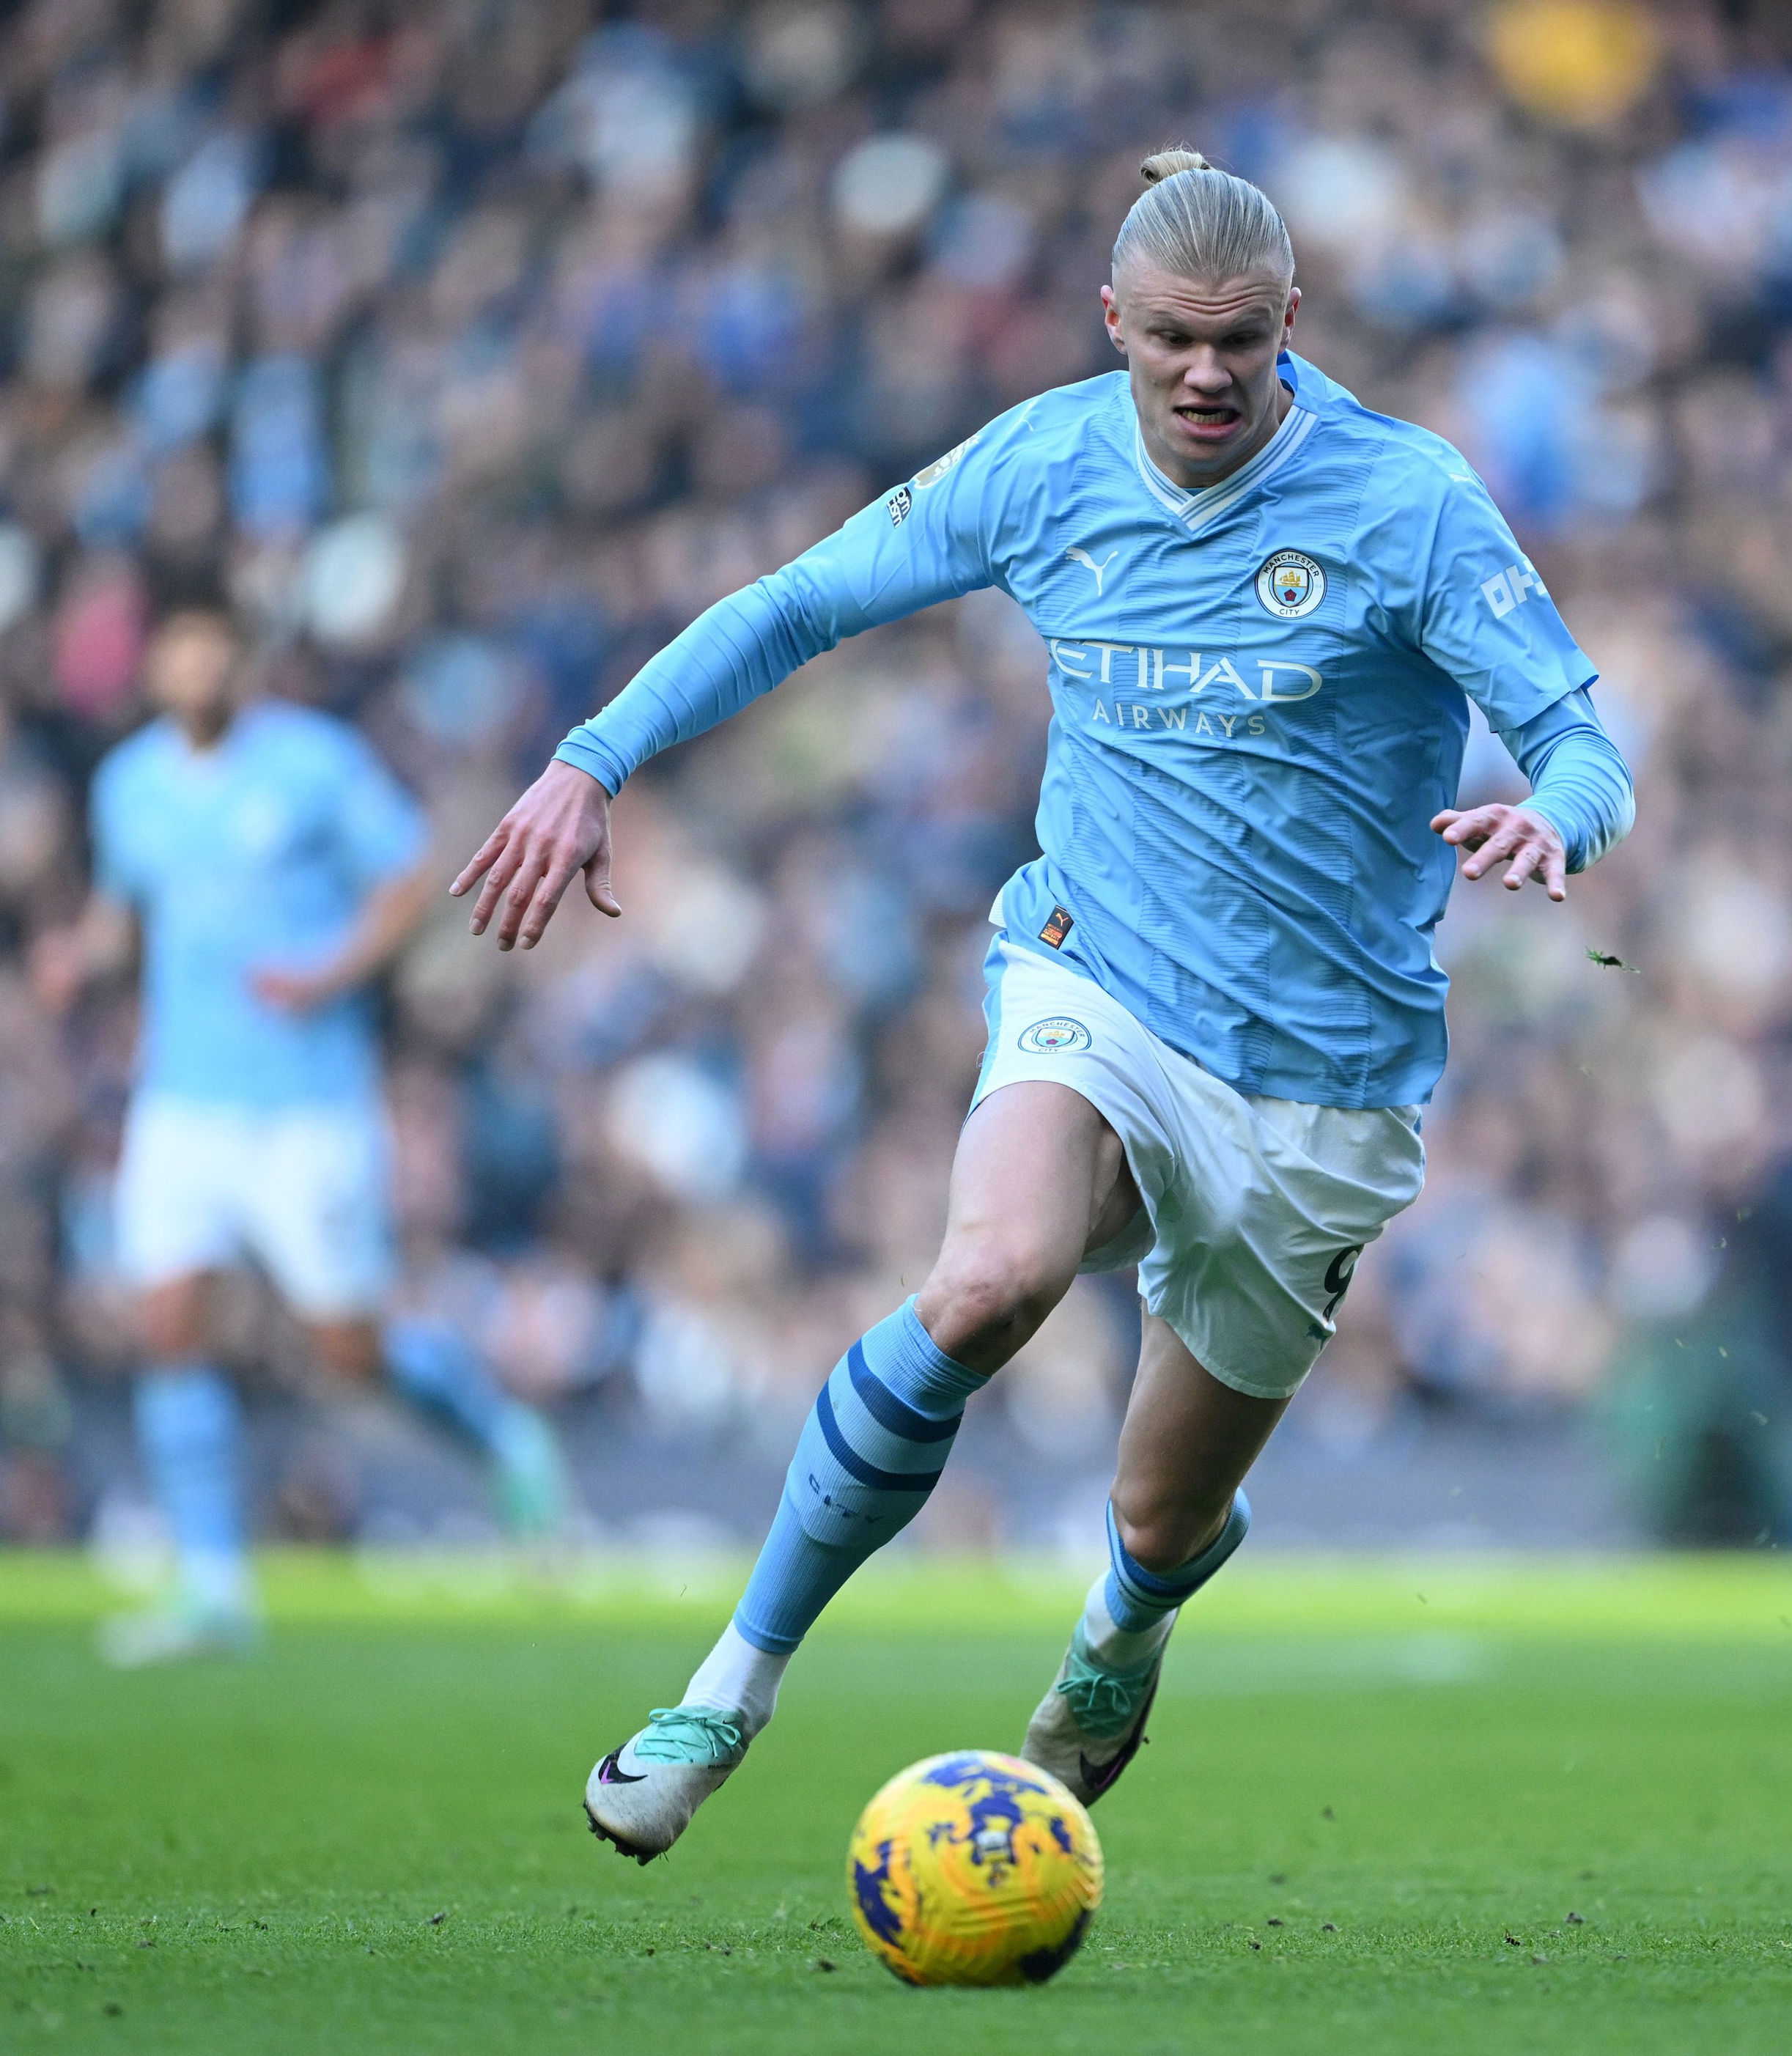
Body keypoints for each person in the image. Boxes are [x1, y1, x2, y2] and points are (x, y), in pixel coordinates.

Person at [453, 150, 1634, 1863]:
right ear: (1113, 323)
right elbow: (799, 602)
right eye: (1170, 339)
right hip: (1096, 983)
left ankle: (1126, 1623)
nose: (1206, 373)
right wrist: (592, 755)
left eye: (1239, 339)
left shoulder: (1410, 502)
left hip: (1324, 1080)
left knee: (1161, 1506)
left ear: (1294, 322)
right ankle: (729, 1681)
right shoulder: (1042, 460)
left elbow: (1584, 739)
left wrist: (1557, 818)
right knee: (987, 1278)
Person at [38, 605, 570, 1667]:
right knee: (167, 1319)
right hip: (182, 1099)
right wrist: (83, 956)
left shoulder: (314, 763)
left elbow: (411, 876)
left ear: (240, 662)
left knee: (348, 1350)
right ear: (156, 667)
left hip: (306, 1106)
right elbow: (124, 910)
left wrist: (331, 970)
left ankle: (502, 1435)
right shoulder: (129, 785)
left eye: (214, 649)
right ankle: (212, 1586)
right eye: (180, 649)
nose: (197, 667)